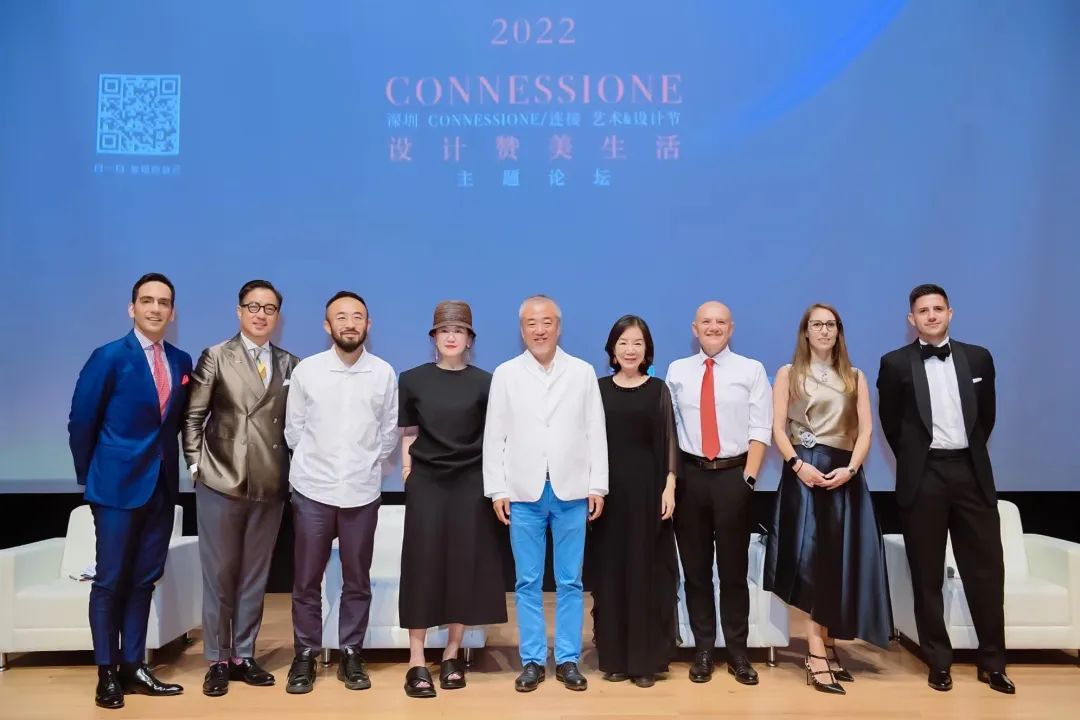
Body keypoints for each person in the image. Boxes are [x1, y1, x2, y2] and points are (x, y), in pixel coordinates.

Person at [877, 284, 1014, 694]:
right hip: (924, 477)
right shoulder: (894, 363)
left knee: (986, 572)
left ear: (950, 313)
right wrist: (919, 461)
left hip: (972, 474)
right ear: (911, 319)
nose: (932, 315)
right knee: (926, 574)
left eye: (938, 308)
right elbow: (892, 425)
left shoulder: (979, 357)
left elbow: (985, 418)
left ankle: (993, 664)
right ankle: (938, 662)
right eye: (923, 311)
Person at [68, 272, 192, 709]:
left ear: (172, 312)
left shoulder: (181, 360)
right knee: (110, 581)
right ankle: (106, 672)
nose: (155, 308)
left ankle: (134, 666)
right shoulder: (107, 356)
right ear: (132, 308)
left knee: (144, 580)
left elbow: (174, 425)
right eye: (147, 300)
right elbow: (82, 422)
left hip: (161, 487)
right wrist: (93, 477)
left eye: (164, 302)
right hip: (115, 488)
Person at [762, 303, 892, 695]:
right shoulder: (788, 373)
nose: (823, 330)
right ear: (805, 331)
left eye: (830, 324)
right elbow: (777, 427)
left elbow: (866, 431)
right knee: (809, 563)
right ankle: (815, 651)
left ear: (839, 331)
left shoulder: (855, 376)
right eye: (816, 324)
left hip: (843, 476)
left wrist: (850, 469)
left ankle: (830, 645)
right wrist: (797, 465)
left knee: (837, 561)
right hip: (804, 474)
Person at [483, 295, 608, 692]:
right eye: (531, 323)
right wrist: (497, 489)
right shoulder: (506, 373)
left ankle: (568, 659)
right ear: (522, 330)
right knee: (527, 581)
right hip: (523, 491)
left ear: (559, 326)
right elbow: (494, 436)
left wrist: (597, 484)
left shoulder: (582, 372)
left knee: (570, 581)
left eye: (547, 322)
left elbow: (595, 431)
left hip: (572, 489)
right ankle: (533, 660)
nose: (539, 330)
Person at [182, 279, 300, 696]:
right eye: (253, 306)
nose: (260, 314)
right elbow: (193, 417)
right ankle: (217, 657)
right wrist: (196, 465)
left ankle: (243, 654)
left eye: (269, 308)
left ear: (278, 316)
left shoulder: (291, 364)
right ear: (239, 311)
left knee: (254, 574)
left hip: (270, 482)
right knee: (220, 573)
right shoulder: (216, 355)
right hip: (220, 478)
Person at [283, 291, 398, 694]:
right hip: (313, 490)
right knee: (306, 581)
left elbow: (388, 434)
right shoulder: (308, 371)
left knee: (357, 581)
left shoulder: (383, 373)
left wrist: (363, 466)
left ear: (369, 324)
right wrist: (318, 466)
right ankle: (305, 654)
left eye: (358, 317)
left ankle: (351, 652)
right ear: (327, 325)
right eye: (341, 317)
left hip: (361, 493)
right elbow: (294, 430)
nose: (350, 323)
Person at [397, 300, 507, 698]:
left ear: (470, 339)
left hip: (470, 483)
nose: (451, 337)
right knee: (422, 565)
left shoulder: (486, 383)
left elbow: (494, 438)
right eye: (444, 330)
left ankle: (451, 654)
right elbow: (408, 432)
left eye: (458, 331)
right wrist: (407, 472)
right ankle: (416, 659)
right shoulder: (412, 379)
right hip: (427, 482)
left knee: (464, 566)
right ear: (434, 337)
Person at [665, 301, 771, 686]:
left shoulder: (751, 370)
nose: (713, 327)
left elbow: (761, 428)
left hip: (733, 477)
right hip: (691, 477)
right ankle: (704, 650)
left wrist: (749, 480)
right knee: (695, 572)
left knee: (733, 572)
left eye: (720, 322)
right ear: (695, 328)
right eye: (706, 322)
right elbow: (670, 429)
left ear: (731, 327)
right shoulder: (677, 371)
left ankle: (738, 652)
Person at [590, 315, 678, 688]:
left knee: (647, 574)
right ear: (613, 349)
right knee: (611, 575)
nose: (630, 350)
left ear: (647, 350)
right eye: (623, 343)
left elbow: (670, 441)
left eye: (637, 343)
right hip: (608, 496)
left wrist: (669, 486)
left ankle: (645, 662)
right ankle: (614, 659)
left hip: (647, 494)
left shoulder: (658, 389)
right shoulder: (597, 389)